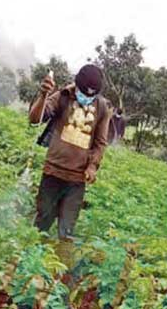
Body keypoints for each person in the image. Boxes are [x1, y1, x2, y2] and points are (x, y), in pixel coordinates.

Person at [28, 64, 113, 242]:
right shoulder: (63, 95)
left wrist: (92, 166)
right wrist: (43, 95)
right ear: (77, 84)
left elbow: (100, 143)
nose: (86, 98)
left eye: (91, 95)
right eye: (83, 93)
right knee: (41, 223)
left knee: (66, 232)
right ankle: (31, 261)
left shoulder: (103, 108)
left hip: (76, 179)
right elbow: (35, 119)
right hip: (53, 171)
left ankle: (58, 266)